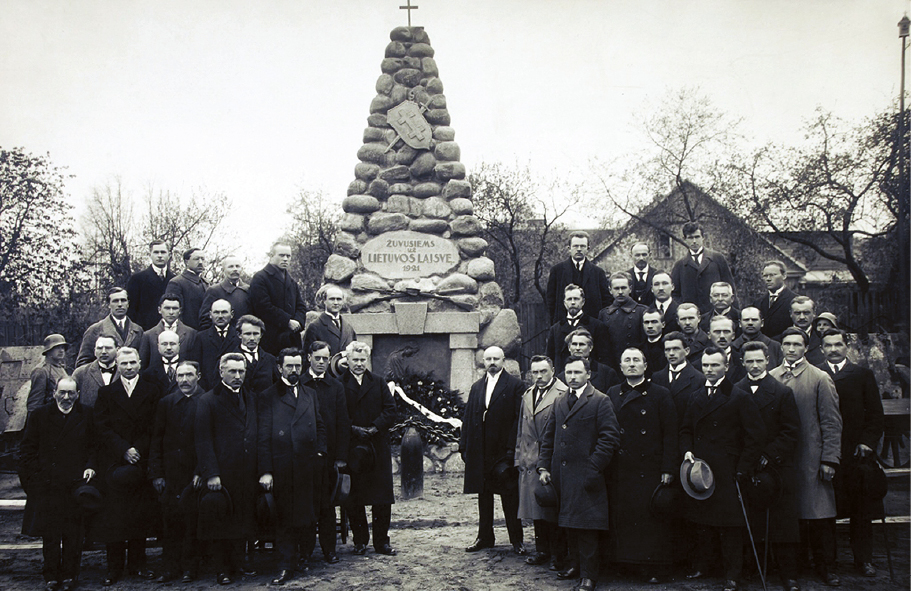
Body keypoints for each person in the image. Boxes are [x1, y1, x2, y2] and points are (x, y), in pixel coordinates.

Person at [679, 346, 765, 591]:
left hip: (728, 471)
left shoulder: (739, 396)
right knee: (703, 521)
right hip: (701, 472)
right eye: (705, 365)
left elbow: (755, 437)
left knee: (730, 526)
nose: (709, 370)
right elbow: (685, 429)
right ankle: (704, 566)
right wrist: (686, 450)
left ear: (726, 367)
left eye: (715, 365)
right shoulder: (696, 396)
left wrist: (742, 469)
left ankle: (732, 575)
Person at [538, 356, 620, 591]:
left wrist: (594, 467)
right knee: (569, 524)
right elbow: (549, 437)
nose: (572, 377)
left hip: (587, 476)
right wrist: (543, 467)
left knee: (587, 527)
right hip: (561, 475)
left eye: (577, 372)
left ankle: (589, 576)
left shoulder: (600, 400)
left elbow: (609, 438)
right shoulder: (560, 401)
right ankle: (574, 565)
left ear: (588, 374)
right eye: (568, 373)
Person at [770, 328, 842, 587]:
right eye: (787, 344)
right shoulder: (772, 377)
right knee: (791, 516)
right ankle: (795, 568)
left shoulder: (819, 378)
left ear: (806, 348)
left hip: (811, 458)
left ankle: (826, 567)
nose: (791, 349)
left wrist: (829, 459)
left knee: (819, 515)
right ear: (781, 347)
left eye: (797, 345)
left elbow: (832, 422)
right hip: (784, 461)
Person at [606, 348, 677, 583]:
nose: (632, 364)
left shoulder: (660, 393)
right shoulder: (613, 393)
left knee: (650, 517)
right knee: (625, 515)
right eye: (627, 360)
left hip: (651, 467)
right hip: (622, 467)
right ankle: (626, 563)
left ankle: (652, 566)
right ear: (621, 366)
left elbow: (670, 434)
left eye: (637, 360)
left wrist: (668, 468)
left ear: (646, 366)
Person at [19, 377, 97, 591]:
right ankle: (51, 575)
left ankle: (71, 574)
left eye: (71, 393)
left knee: (74, 533)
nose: (66, 397)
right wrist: (35, 481)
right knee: (51, 534)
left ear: (78, 394)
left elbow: (94, 447)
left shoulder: (87, 414)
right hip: (48, 485)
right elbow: (26, 452)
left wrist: (90, 466)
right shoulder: (40, 416)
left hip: (75, 485)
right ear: (54, 393)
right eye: (62, 392)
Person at [818, 329, 884, 578]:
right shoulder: (816, 373)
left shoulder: (862, 374)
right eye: (828, 345)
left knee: (860, 509)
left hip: (855, 453)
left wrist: (867, 442)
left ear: (846, 347)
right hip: (825, 454)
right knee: (826, 511)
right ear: (821, 349)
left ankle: (863, 560)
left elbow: (876, 415)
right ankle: (827, 563)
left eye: (838, 344)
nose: (833, 349)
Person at [258, 348, 327, 585]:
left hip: (307, 464)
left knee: (307, 514)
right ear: (279, 368)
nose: (294, 370)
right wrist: (266, 470)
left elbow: (320, 425)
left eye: (298, 366)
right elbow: (263, 436)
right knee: (285, 518)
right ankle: (286, 565)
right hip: (283, 465)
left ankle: (304, 557)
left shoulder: (310, 393)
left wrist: (320, 451)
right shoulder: (268, 395)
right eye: (289, 366)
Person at [736, 341, 801, 591]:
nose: (754, 365)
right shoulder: (736, 390)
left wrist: (769, 454)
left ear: (767, 361)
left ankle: (788, 574)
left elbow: (790, 431)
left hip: (775, 468)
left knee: (781, 522)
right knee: (750, 520)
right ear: (742, 363)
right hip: (746, 465)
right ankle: (752, 570)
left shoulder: (782, 392)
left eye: (759, 361)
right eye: (749, 361)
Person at [92, 347, 160, 586]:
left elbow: (154, 426)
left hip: (141, 461)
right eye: (124, 364)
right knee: (115, 517)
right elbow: (101, 427)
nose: (129, 367)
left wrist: (137, 450)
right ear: (117, 365)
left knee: (138, 515)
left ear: (140, 363)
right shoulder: (106, 392)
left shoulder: (152, 391)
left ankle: (138, 565)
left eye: (132, 363)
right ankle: (114, 567)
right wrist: (124, 449)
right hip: (115, 462)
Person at [195, 352, 259, 585]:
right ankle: (222, 568)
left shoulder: (251, 398)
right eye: (232, 371)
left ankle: (240, 563)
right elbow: (203, 441)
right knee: (221, 521)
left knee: (243, 519)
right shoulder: (208, 400)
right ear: (221, 371)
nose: (237, 376)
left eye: (241, 371)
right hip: (222, 473)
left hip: (247, 472)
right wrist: (211, 473)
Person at [461, 346, 525, 554]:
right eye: (488, 359)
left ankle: (517, 540)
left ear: (503, 360)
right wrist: (465, 446)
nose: (492, 362)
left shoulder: (515, 385)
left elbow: (518, 420)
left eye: (496, 359)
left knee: (509, 497)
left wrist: (511, 451)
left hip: (503, 452)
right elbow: (468, 418)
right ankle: (485, 537)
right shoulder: (477, 386)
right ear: (483, 361)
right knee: (484, 496)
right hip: (481, 451)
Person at [148, 361, 204, 584]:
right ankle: (170, 567)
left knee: (192, 521)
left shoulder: (207, 401)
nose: (184, 380)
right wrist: (157, 473)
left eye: (189, 375)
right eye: (180, 376)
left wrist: (201, 471)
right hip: (171, 474)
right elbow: (157, 440)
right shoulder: (166, 403)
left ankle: (191, 567)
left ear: (198, 376)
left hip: (196, 474)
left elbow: (212, 441)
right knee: (170, 522)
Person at [341, 341, 398, 556]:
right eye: (355, 360)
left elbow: (390, 410)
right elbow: (337, 415)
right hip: (353, 448)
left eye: (362, 360)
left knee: (381, 497)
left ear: (368, 360)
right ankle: (360, 540)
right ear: (347, 361)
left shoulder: (379, 382)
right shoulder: (340, 384)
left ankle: (382, 542)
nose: (358, 364)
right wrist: (354, 429)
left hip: (377, 448)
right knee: (355, 497)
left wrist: (374, 428)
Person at [515, 356, 567, 568]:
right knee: (536, 508)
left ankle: (558, 554)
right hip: (530, 461)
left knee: (552, 509)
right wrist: (519, 457)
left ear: (553, 370)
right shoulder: (528, 395)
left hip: (550, 460)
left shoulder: (562, 394)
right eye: (535, 372)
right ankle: (542, 550)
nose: (539, 376)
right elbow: (521, 430)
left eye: (543, 371)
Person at [301, 341, 351, 565]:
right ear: (308, 357)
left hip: (328, 456)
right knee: (305, 504)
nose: (321, 362)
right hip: (303, 455)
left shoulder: (336, 386)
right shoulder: (300, 383)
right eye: (317, 358)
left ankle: (329, 549)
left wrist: (340, 457)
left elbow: (342, 423)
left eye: (325, 358)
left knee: (326, 504)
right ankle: (305, 550)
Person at [249, 241, 308, 355]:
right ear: (272, 255)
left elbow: (301, 306)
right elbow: (263, 307)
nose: (285, 259)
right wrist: (287, 321)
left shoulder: (291, 281)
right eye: (281, 255)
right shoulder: (260, 278)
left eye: (288, 256)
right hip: (271, 338)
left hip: (291, 337)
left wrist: (297, 322)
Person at [545, 231, 611, 323]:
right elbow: (550, 300)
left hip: (591, 324)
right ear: (569, 248)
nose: (579, 249)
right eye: (575, 246)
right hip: (564, 324)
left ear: (588, 248)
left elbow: (606, 301)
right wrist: (554, 324)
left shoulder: (598, 273)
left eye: (582, 246)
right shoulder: (557, 271)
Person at [670, 222, 734, 315]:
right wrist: (684, 308)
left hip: (716, 314)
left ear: (703, 237)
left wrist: (734, 313)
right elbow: (674, 293)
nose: (694, 241)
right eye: (690, 238)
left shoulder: (717, 259)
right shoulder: (680, 265)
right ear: (685, 239)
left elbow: (730, 286)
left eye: (697, 237)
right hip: (691, 317)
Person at [544, 284, 609, 372]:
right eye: (569, 299)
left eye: (576, 299)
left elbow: (604, 357)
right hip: (562, 378)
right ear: (564, 303)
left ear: (583, 302)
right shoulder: (555, 329)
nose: (573, 302)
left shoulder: (597, 326)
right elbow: (550, 358)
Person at [76, 287, 143, 368]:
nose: (120, 304)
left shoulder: (138, 330)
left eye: (123, 300)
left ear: (128, 304)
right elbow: (83, 363)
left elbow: (142, 360)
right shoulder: (95, 330)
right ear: (108, 305)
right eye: (115, 301)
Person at [651, 332, 706, 428]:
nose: (671, 353)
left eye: (676, 349)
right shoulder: (656, 378)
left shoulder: (699, 379)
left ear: (687, 351)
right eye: (668, 350)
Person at [598, 271, 646, 370]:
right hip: (611, 366)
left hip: (634, 365)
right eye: (616, 288)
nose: (620, 292)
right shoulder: (604, 314)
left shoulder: (642, 311)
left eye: (623, 288)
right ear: (610, 290)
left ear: (630, 289)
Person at [138, 294, 199, 369]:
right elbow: (143, 366)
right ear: (159, 310)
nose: (171, 312)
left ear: (180, 311)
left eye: (175, 308)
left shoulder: (191, 333)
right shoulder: (148, 335)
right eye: (167, 308)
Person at [127, 241, 174, 331]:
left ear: (169, 255)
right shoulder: (137, 279)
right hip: (145, 331)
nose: (160, 255)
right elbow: (131, 311)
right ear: (150, 255)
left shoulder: (175, 280)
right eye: (156, 252)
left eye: (163, 252)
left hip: (171, 332)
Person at [556, 328, 620, 394]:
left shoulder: (607, 373)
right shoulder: (561, 377)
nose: (577, 348)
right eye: (574, 344)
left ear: (590, 347)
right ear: (569, 347)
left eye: (581, 344)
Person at [196, 299, 241, 391]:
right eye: (216, 312)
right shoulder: (201, 337)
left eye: (224, 312)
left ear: (231, 314)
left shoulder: (238, 336)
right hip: (208, 389)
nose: (220, 316)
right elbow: (197, 366)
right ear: (210, 315)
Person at [302, 285, 357, 357]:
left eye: (339, 299)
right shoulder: (315, 326)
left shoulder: (349, 328)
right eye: (332, 299)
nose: (336, 303)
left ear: (343, 301)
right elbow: (307, 356)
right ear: (324, 301)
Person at [199, 256, 251, 330]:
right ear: (223, 270)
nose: (235, 269)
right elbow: (205, 318)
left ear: (242, 269)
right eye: (231, 267)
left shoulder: (249, 289)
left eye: (237, 266)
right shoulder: (214, 290)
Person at [164, 248, 208, 331]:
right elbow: (174, 313)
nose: (200, 262)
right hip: (187, 334)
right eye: (196, 259)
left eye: (203, 259)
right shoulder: (177, 282)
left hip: (204, 334)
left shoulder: (205, 283)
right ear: (186, 262)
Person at [752, 261, 797, 339]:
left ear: (784, 276)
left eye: (772, 275)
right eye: (765, 276)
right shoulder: (758, 303)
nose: (768, 279)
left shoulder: (794, 301)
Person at [236, 315, 279, 394]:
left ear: (261, 335)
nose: (252, 338)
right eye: (248, 334)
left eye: (255, 334)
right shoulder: (230, 358)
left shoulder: (270, 360)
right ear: (239, 335)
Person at [72, 335, 119, 408]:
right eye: (99, 348)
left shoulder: (124, 372)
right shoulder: (81, 373)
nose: (103, 352)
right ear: (94, 351)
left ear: (117, 350)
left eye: (108, 348)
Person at [775, 296, 824, 365]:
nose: (802, 317)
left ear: (814, 313)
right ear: (791, 314)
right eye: (797, 313)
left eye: (806, 313)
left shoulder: (823, 339)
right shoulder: (777, 342)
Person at [27, 334, 70, 414]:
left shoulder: (61, 368)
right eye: (57, 347)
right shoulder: (41, 371)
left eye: (62, 347)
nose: (61, 350)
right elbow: (35, 403)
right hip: (47, 416)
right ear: (48, 350)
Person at [697, 317, 746, 383]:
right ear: (709, 335)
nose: (722, 336)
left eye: (726, 332)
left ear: (733, 335)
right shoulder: (697, 364)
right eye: (717, 332)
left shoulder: (742, 363)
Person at [142, 330, 183, 399]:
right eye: (164, 344)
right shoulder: (149, 374)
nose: (169, 348)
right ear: (158, 346)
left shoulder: (189, 369)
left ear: (179, 346)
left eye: (172, 344)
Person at [627, 242, 659, 307]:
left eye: (644, 255)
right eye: (637, 255)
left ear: (649, 255)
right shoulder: (625, 276)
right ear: (631, 256)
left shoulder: (657, 275)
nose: (641, 258)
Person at [641, 309, 668, 377]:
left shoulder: (668, 346)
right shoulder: (640, 348)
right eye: (647, 322)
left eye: (654, 322)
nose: (650, 326)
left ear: (663, 324)